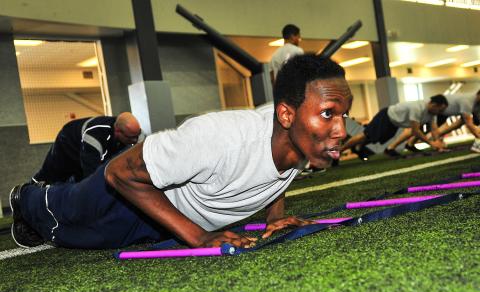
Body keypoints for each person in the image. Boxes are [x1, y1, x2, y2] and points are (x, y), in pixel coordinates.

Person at [10, 55, 352, 249]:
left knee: (74, 241)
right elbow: (120, 174)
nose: (341, 130)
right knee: (59, 216)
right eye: (328, 114)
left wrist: (274, 217)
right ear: (286, 115)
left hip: (166, 221)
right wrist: (200, 237)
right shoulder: (222, 137)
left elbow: (281, 167)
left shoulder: (303, 138)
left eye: (343, 114)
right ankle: (25, 197)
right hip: (124, 192)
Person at [32, 112, 142, 184]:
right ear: (118, 131)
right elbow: (92, 174)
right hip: (67, 142)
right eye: (131, 138)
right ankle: (24, 193)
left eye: (138, 135)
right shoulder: (95, 136)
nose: (135, 140)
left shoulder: (128, 132)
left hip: (86, 150)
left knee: (78, 178)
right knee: (52, 173)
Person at [341, 95, 449, 159]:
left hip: (394, 123)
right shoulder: (418, 108)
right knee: (365, 135)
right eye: (440, 110)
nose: (440, 112)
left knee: (374, 139)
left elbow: (434, 129)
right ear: (434, 105)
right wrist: (431, 143)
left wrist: (438, 142)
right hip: (386, 116)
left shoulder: (432, 113)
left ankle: (358, 148)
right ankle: (340, 150)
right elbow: (415, 131)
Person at [402, 90, 480, 153]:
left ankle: (411, 144)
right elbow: (468, 123)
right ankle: (400, 145)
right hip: (440, 113)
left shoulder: (474, 102)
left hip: (442, 113)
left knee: (424, 131)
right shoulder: (468, 101)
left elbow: (464, 122)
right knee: (418, 130)